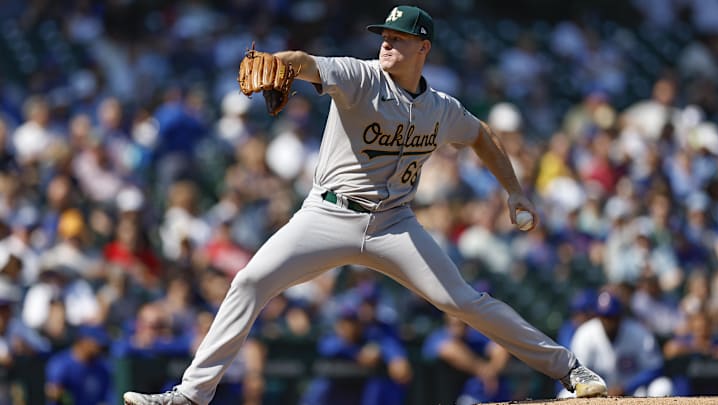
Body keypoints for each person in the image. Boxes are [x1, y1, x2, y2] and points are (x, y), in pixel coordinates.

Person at [123, 5, 607, 404]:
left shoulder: (440, 107)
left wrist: (514, 190)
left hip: (395, 225)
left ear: (424, 48)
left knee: (465, 302)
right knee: (249, 281)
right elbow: (307, 62)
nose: (387, 43)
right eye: (385, 36)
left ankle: (571, 370)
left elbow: (481, 136)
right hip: (328, 214)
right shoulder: (360, 77)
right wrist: (280, 59)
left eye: (398, 38)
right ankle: (190, 395)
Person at [561, 290, 672, 398]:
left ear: (620, 315)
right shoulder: (585, 334)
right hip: (595, 394)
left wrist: (626, 387)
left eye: (611, 316)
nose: (608, 321)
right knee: (566, 395)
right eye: (604, 316)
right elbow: (575, 373)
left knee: (662, 386)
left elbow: (655, 368)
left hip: (634, 393)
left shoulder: (639, 333)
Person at [45, 324, 113, 405]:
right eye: (96, 343)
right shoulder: (61, 364)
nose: (99, 348)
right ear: (83, 340)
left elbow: (107, 398)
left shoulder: (102, 367)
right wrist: (59, 393)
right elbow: (52, 392)